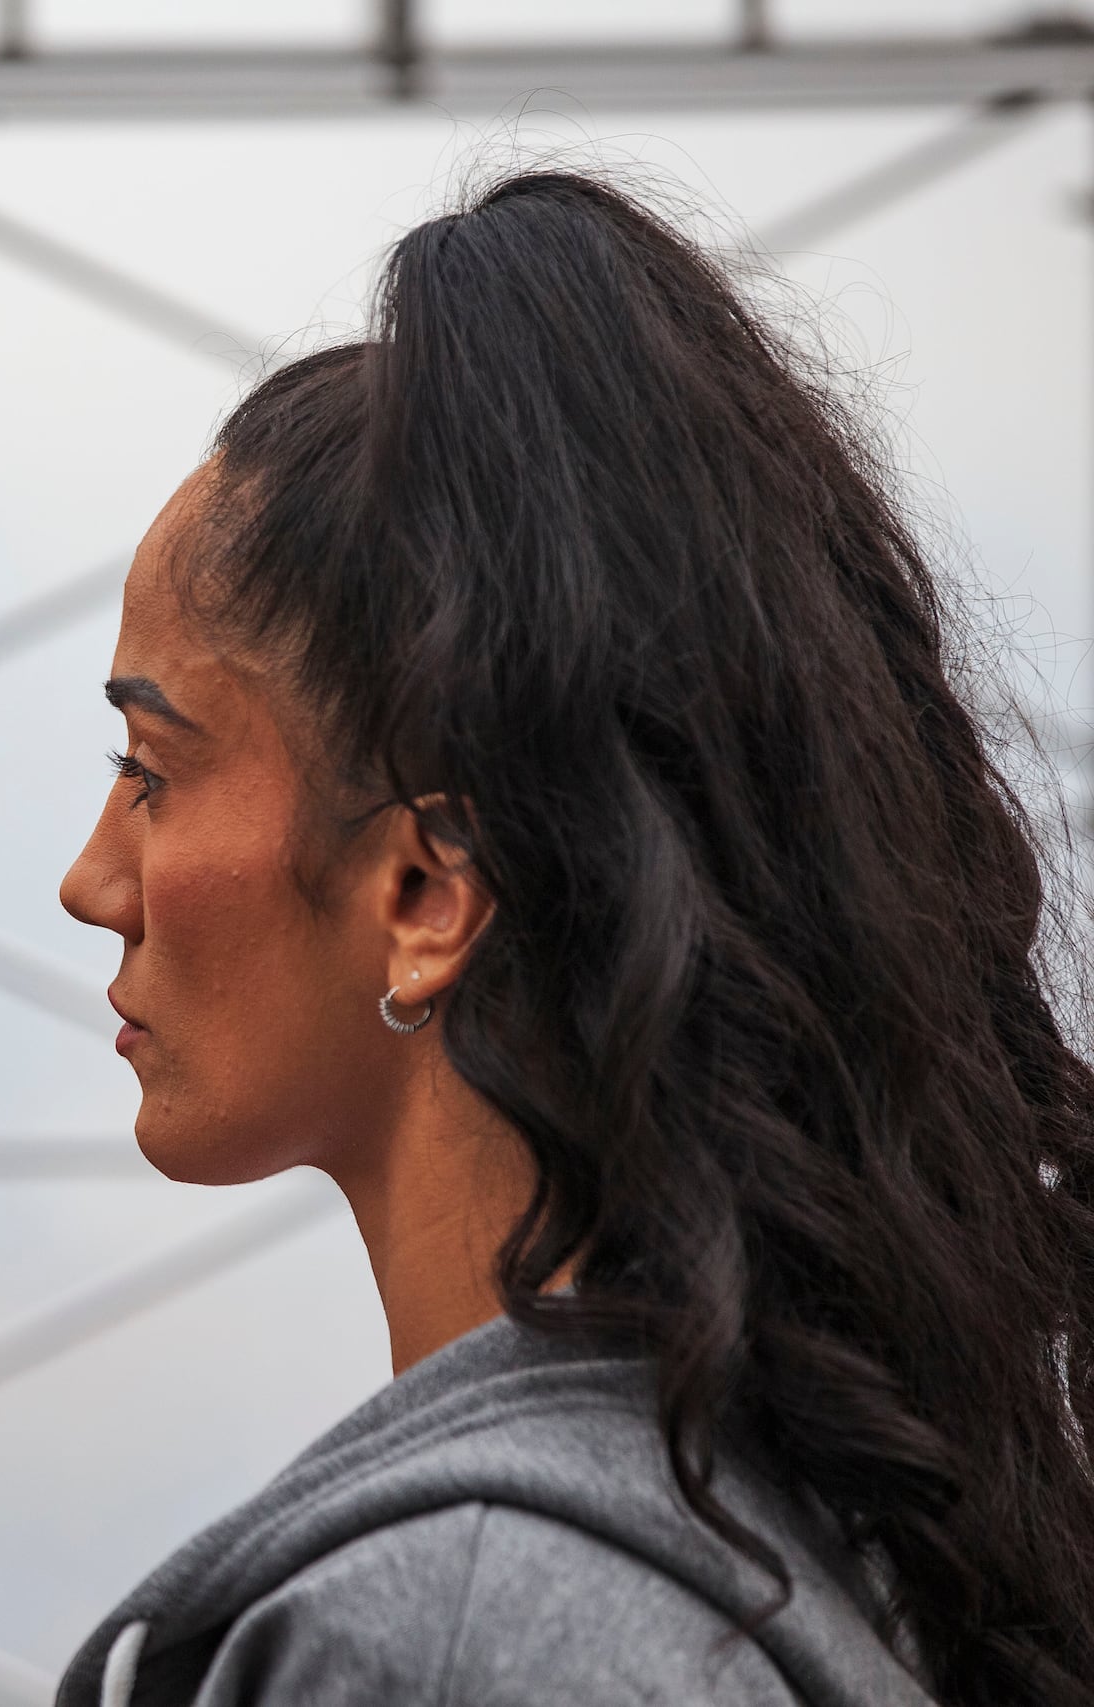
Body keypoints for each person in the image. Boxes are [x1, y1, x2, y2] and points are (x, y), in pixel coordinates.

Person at [56, 172, 1094, 1706]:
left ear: (428, 891)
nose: (93, 879)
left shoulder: (458, 1632)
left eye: (151, 773)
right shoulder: (831, 1544)